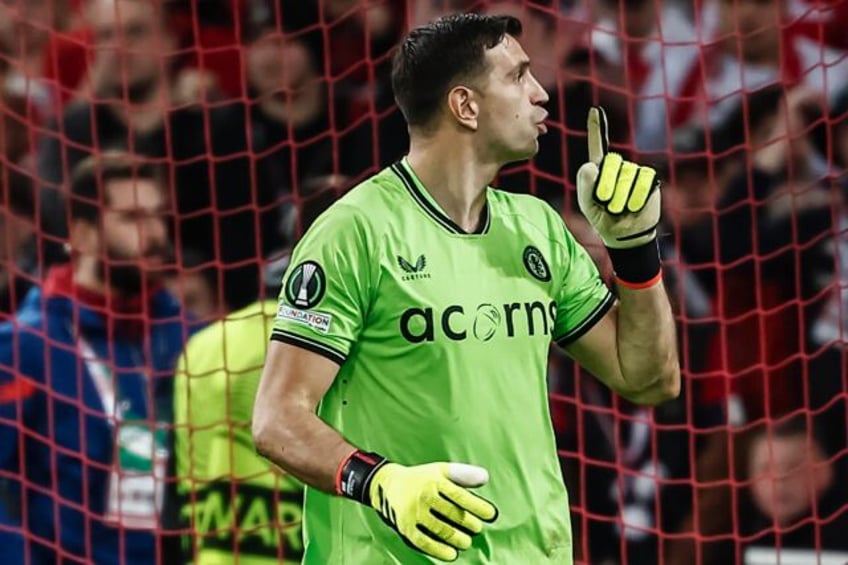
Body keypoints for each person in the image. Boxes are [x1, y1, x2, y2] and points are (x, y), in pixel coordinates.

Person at [252, 13, 680, 564]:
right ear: (465, 106)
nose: (541, 93)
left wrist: (635, 251)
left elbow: (648, 380)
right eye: (518, 77)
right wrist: (379, 482)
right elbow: (277, 419)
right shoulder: (354, 232)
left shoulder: (539, 229)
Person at [0, 152, 191, 564]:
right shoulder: (28, 345)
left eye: (158, 216)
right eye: (133, 218)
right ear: (83, 236)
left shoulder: (190, 338)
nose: (156, 234)